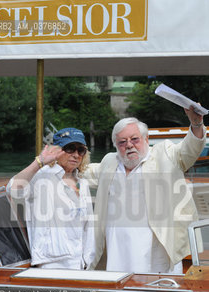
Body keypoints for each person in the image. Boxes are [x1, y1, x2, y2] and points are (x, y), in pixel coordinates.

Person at [85, 107, 206, 274]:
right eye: (122, 142)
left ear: (146, 139)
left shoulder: (165, 154)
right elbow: (85, 172)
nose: (128, 145)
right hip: (116, 253)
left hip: (157, 253)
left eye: (134, 139)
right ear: (116, 146)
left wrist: (196, 124)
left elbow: (190, 149)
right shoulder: (109, 161)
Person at [6, 128, 95, 269]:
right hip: (51, 263)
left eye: (81, 150)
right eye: (70, 148)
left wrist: (87, 261)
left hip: (79, 262)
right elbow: (13, 190)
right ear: (57, 151)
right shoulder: (41, 175)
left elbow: (88, 227)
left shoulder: (82, 183)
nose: (76, 155)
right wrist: (39, 162)